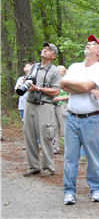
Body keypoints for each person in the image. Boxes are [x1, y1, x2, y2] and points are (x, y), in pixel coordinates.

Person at [60, 35, 99, 205]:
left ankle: (95, 189)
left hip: (92, 120)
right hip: (72, 118)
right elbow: (62, 85)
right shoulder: (74, 66)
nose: (89, 44)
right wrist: (87, 89)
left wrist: (82, 86)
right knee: (70, 157)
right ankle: (69, 192)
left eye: (93, 44)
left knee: (93, 157)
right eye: (88, 43)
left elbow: (79, 85)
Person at [22, 43, 60, 178]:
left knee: (46, 137)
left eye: (49, 50)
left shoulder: (54, 70)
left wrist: (38, 88)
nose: (45, 50)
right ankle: (33, 167)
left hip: (44, 105)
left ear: (53, 56)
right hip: (29, 104)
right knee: (29, 136)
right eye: (44, 48)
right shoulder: (33, 67)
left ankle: (48, 168)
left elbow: (56, 91)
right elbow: (28, 83)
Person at [15, 63, 41, 150]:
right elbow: (16, 91)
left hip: (34, 102)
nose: (27, 67)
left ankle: (39, 143)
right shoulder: (20, 79)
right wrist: (21, 85)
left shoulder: (36, 78)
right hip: (22, 105)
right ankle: (28, 143)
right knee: (25, 125)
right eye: (25, 66)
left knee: (37, 123)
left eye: (29, 66)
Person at [52, 65, 69, 154]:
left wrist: (60, 99)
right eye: (57, 68)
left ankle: (68, 149)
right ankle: (55, 148)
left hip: (63, 106)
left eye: (60, 69)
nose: (58, 70)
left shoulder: (66, 81)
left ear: (64, 72)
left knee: (64, 128)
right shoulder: (54, 81)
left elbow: (71, 95)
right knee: (54, 128)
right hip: (53, 106)